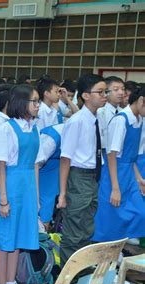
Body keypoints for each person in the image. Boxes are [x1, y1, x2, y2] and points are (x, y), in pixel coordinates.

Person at [0, 84, 43, 284]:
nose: (38, 105)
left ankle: (11, 283)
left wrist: (37, 198)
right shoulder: (7, 128)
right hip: (11, 186)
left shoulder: (34, 127)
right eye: (34, 101)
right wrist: (3, 199)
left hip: (28, 188)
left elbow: (35, 165)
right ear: (21, 102)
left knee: (18, 239)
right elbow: (0, 165)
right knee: (4, 239)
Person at [57, 74, 107, 267]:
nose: (104, 96)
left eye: (105, 92)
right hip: (78, 176)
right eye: (100, 92)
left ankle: (81, 269)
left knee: (86, 227)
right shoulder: (76, 121)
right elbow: (65, 158)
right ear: (86, 95)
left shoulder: (96, 118)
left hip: (93, 177)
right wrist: (62, 193)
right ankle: (69, 276)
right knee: (74, 228)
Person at [93, 87, 145, 242]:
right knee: (110, 217)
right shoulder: (121, 120)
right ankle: (108, 254)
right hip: (114, 173)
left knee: (139, 212)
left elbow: (131, 158)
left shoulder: (139, 120)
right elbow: (111, 155)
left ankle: (122, 242)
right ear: (142, 100)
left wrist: (139, 179)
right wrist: (115, 188)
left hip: (129, 173)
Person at [38, 123, 64, 224]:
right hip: (43, 171)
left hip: (57, 169)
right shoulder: (51, 138)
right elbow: (36, 163)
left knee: (51, 201)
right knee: (44, 203)